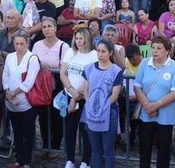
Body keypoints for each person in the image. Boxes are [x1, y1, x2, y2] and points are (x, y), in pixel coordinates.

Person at [134, 36, 175, 168]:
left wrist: (156, 105)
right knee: (144, 148)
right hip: (146, 113)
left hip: (166, 115)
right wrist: (147, 105)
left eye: (159, 48)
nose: (155, 51)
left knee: (164, 149)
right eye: (153, 48)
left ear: (167, 50)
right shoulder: (145, 63)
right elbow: (137, 86)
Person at [81, 39, 123, 168]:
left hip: (109, 112)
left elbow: (114, 95)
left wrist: (101, 109)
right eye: (98, 51)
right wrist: (90, 105)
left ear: (110, 53)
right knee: (95, 150)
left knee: (108, 150)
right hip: (91, 112)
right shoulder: (88, 68)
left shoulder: (116, 71)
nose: (100, 54)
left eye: (103, 51)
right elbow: (85, 89)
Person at [60, 27, 97, 168]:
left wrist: (76, 97)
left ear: (87, 38)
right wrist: (70, 90)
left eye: (81, 38)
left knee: (85, 131)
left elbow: (90, 78)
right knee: (69, 130)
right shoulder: (71, 52)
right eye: (77, 38)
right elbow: (63, 73)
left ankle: (85, 161)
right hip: (69, 94)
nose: (78, 41)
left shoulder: (93, 55)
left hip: (84, 98)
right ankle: (69, 159)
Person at [2, 32, 40, 168]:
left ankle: (27, 160)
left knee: (28, 132)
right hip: (11, 100)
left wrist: (14, 93)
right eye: (16, 44)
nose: (19, 47)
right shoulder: (10, 57)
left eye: (21, 44)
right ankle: (19, 157)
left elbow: (29, 81)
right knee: (16, 131)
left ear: (27, 43)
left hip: (26, 100)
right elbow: (5, 74)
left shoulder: (32, 58)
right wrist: (7, 91)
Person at [31, 17, 67, 157]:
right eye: (44, 26)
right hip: (41, 86)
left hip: (57, 85)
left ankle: (56, 146)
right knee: (43, 117)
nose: (46, 29)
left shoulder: (64, 46)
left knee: (56, 117)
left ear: (55, 28)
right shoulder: (37, 45)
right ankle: (46, 145)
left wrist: (49, 67)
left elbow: (64, 67)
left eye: (49, 26)